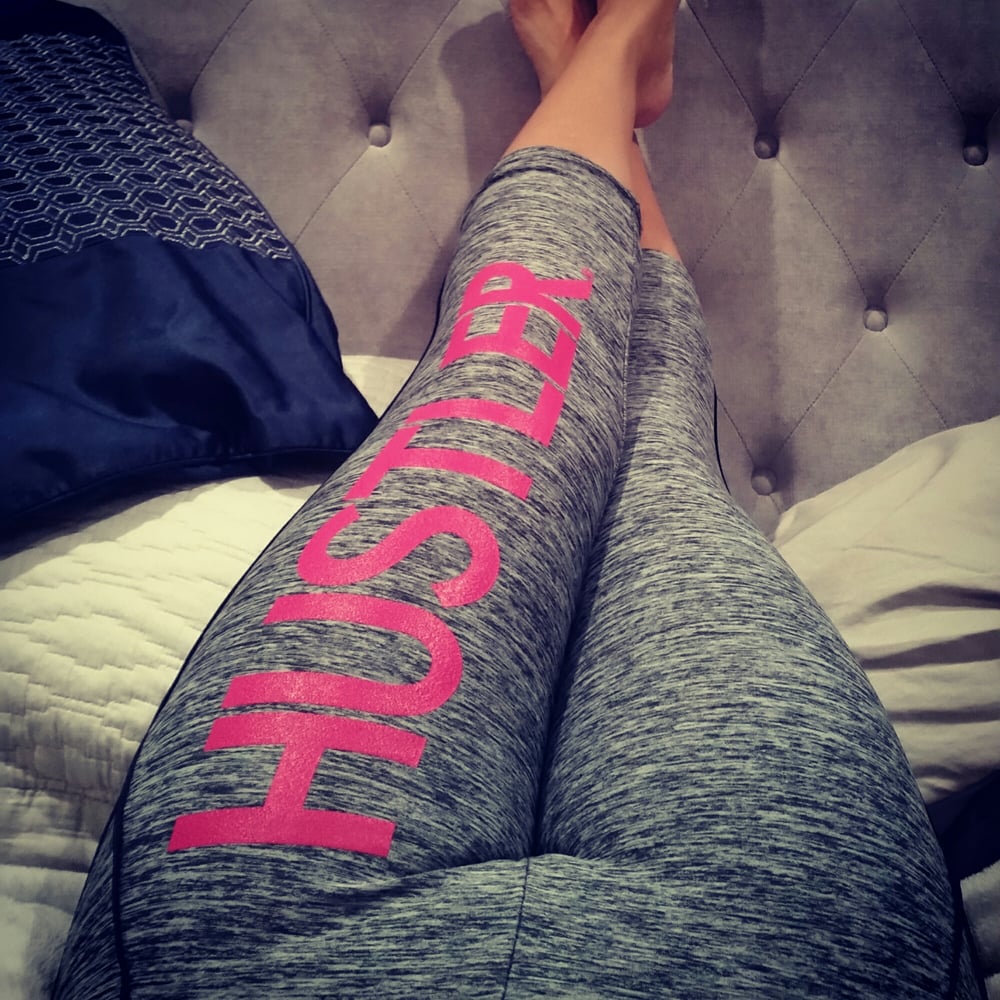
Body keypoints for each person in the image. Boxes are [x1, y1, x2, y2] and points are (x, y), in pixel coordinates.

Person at [54, 1, 979, 996]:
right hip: (789, 955)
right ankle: (615, 63)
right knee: (654, 452)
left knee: (506, 374)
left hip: (263, 951)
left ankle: (607, 69)